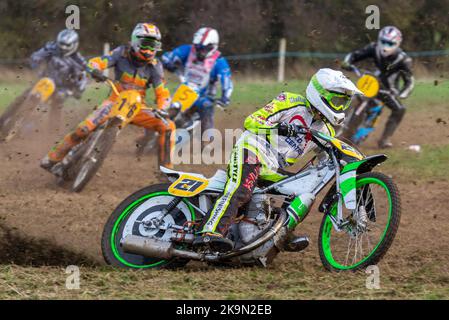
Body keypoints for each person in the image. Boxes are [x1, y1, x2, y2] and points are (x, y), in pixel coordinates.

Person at [193, 68, 363, 252]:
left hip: (274, 167)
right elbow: (251, 121)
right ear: (320, 94)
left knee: (304, 191)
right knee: (241, 189)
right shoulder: (290, 101)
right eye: (336, 101)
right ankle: (210, 231)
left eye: (343, 103)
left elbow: (325, 161)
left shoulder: (326, 131)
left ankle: (281, 232)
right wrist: (278, 127)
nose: (339, 107)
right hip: (252, 149)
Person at [40, 23, 175, 172]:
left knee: (168, 126)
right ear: (136, 41)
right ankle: (54, 156)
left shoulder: (155, 66)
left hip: (137, 108)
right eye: (146, 44)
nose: (150, 50)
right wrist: (94, 69)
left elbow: (162, 93)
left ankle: (166, 171)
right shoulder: (121, 53)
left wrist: (163, 108)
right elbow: (97, 61)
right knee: (83, 129)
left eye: (154, 45)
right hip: (114, 101)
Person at [341, 26, 414, 148]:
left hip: (389, 90)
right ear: (379, 40)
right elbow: (354, 55)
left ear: (397, 43)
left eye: (390, 43)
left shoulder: (404, 59)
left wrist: (402, 94)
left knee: (400, 109)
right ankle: (340, 126)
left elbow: (409, 81)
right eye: (384, 42)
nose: (386, 45)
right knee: (351, 97)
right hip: (371, 83)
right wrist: (347, 63)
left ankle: (385, 139)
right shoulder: (373, 48)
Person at [161, 27, 233, 135]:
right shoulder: (188, 50)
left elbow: (226, 81)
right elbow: (168, 56)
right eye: (198, 47)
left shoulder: (219, 62)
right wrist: (168, 62)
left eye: (203, 48)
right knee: (165, 107)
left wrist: (224, 98)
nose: (200, 51)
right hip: (184, 90)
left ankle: (207, 141)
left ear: (212, 47)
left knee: (206, 106)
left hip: (204, 97)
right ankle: (155, 128)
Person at [29, 29, 87, 122]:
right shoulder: (51, 48)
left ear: (74, 44)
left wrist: (79, 89)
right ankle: (11, 115)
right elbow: (37, 55)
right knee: (27, 95)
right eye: (61, 44)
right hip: (44, 80)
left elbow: (82, 77)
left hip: (62, 89)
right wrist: (36, 61)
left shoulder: (78, 60)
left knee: (57, 103)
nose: (63, 47)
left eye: (67, 45)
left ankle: (52, 129)